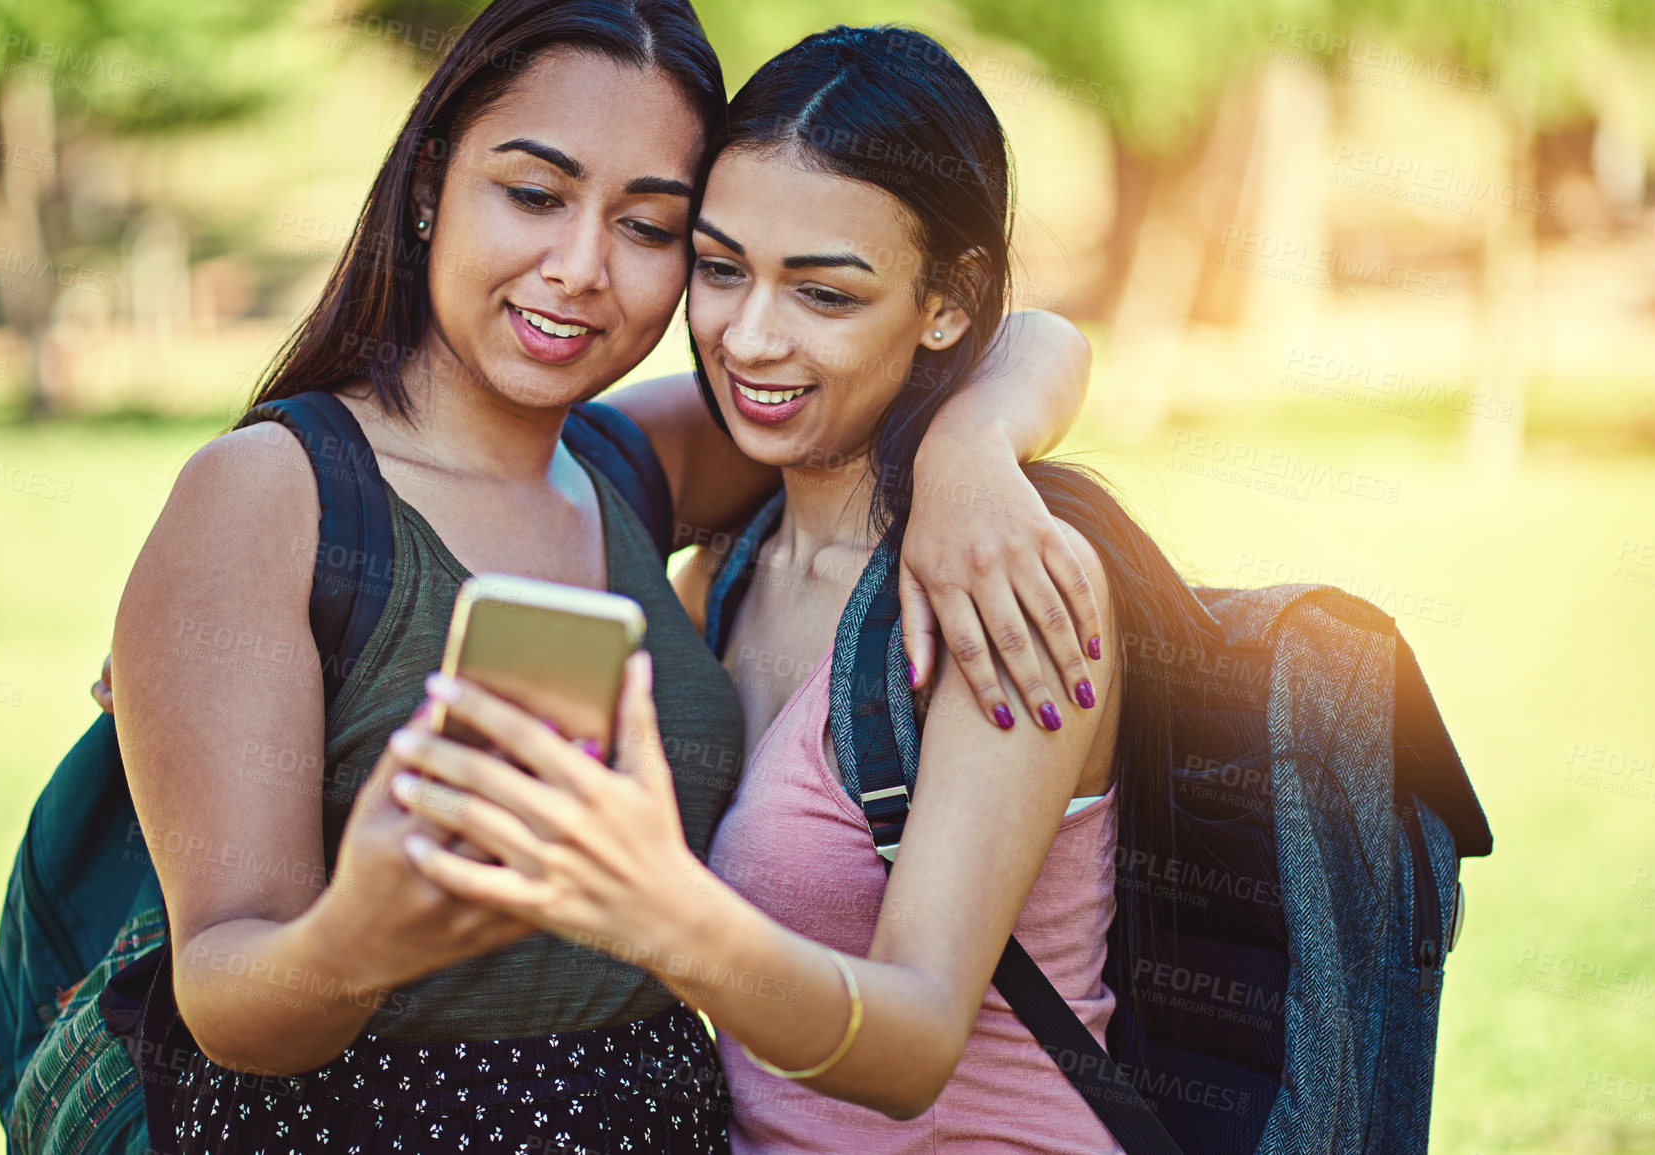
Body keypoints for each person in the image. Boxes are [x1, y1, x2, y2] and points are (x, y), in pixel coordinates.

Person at [104, 4, 1102, 1151]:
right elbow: (225, 1001)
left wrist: (972, 450)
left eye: (649, 227)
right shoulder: (274, 495)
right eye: (533, 196)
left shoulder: (632, 465)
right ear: (430, 183)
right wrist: (362, 937)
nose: (579, 270)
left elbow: (969, 338)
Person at [384, 25, 1217, 1153]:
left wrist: (659, 914)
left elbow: (917, 1041)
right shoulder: (726, 565)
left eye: (824, 295)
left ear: (947, 302)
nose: (750, 339)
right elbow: (453, 481)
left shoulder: (1005, 590)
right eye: (721, 271)